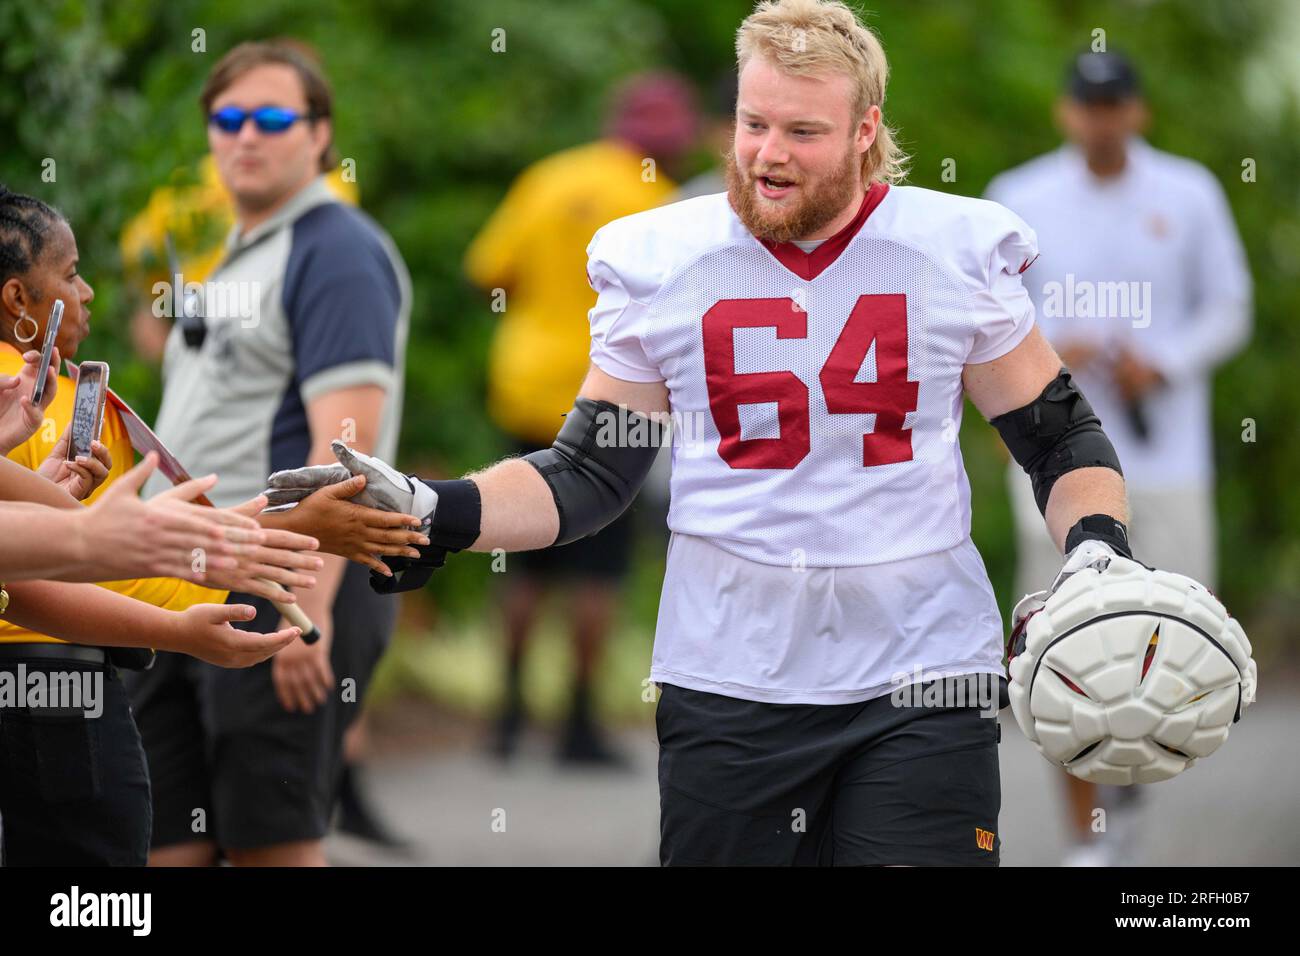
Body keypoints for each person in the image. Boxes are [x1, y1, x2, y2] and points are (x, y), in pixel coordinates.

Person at [278, 0, 1144, 866]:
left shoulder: (950, 247)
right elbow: (587, 473)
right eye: (752, 122)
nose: (768, 153)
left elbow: (1060, 443)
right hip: (731, 673)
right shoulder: (665, 257)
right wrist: (439, 507)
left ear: (864, 130)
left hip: (926, 669)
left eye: (803, 130)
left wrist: (1098, 548)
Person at [126, 40, 416, 867]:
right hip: (183, 576)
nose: (246, 136)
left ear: (321, 135)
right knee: (167, 846)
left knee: (272, 847)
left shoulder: (337, 251)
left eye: (274, 117)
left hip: (283, 581)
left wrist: (310, 611)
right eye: (227, 119)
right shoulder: (237, 251)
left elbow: (347, 450)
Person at [0, 184, 324, 865]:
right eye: (70, 272)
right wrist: (190, 609)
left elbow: (56, 535)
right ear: (16, 298)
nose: (87, 292)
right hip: (54, 692)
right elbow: (42, 572)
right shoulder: (26, 389)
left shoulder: (42, 395)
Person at [985, 50, 1252, 866]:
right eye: (1087, 105)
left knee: (1170, 647)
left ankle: (1124, 805)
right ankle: (1084, 840)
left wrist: (1164, 359)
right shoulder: (1018, 199)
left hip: (1164, 459)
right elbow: (989, 320)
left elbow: (1230, 306)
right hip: (1052, 466)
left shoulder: (1190, 192)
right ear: (1068, 111)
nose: (1101, 120)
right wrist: (1046, 350)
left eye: (1115, 105)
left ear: (1136, 111)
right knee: (1061, 650)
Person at [464, 71, 697, 764]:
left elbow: (488, 274)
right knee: (599, 566)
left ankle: (505, 717)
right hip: (615, 400)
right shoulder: (662, 202)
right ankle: (578, 725)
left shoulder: (548, 178)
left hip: (528, 385)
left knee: (522, 558)